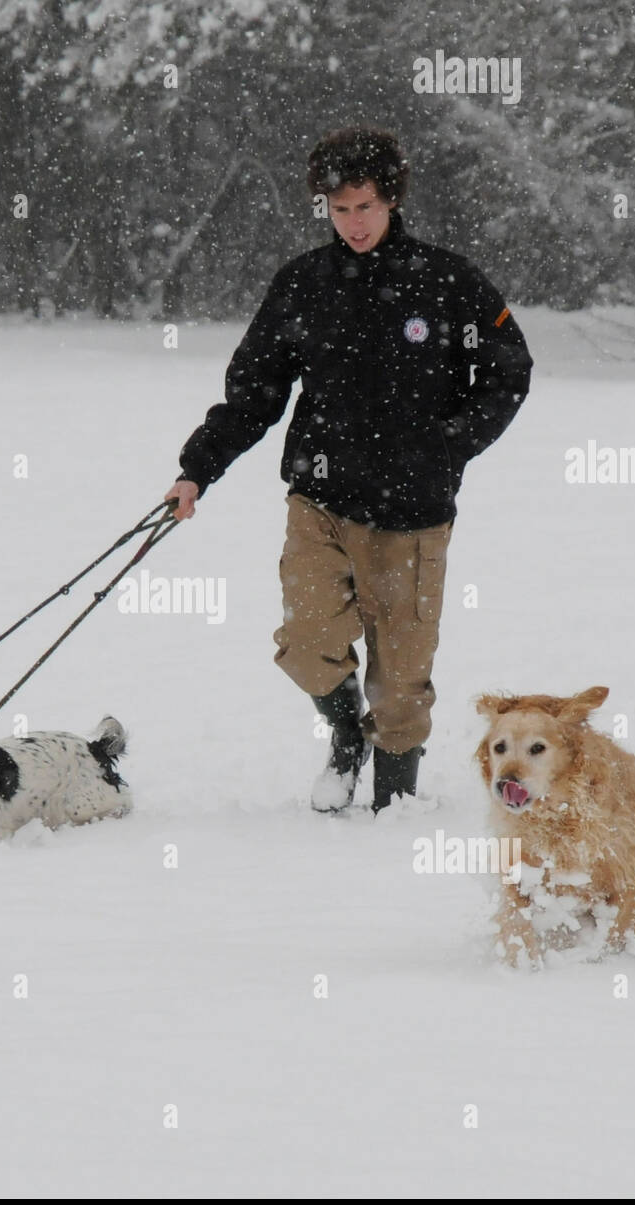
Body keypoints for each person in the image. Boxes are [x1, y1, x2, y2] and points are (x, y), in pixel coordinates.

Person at [165, 125, 533, 814]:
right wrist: (196, 471)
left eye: (365, 207)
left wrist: (452, 442)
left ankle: (395, 807)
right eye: (340, 210)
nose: (353, 223)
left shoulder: (448, 282)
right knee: (307, 642)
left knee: (400, 682)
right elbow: (255, 394)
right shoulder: (304, 284)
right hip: (321, 499)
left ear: (391, 201)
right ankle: (344, 736)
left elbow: (510, 368)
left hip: (413, 512)